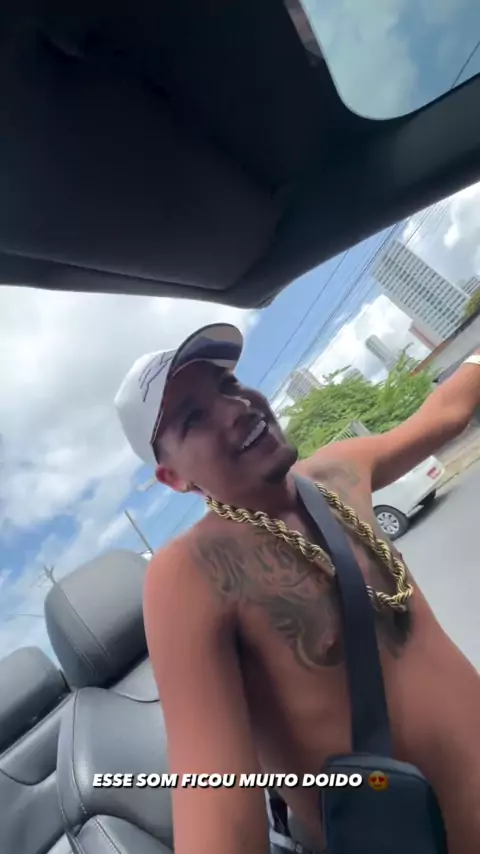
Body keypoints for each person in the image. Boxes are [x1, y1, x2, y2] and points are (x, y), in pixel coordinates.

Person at [115, 323, 480, 854]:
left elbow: (447, 412)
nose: (235, 408)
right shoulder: (189, 574)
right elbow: (218, 814)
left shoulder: (338, 471)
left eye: (228, 385)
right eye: (193, 418)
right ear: (173, 478)